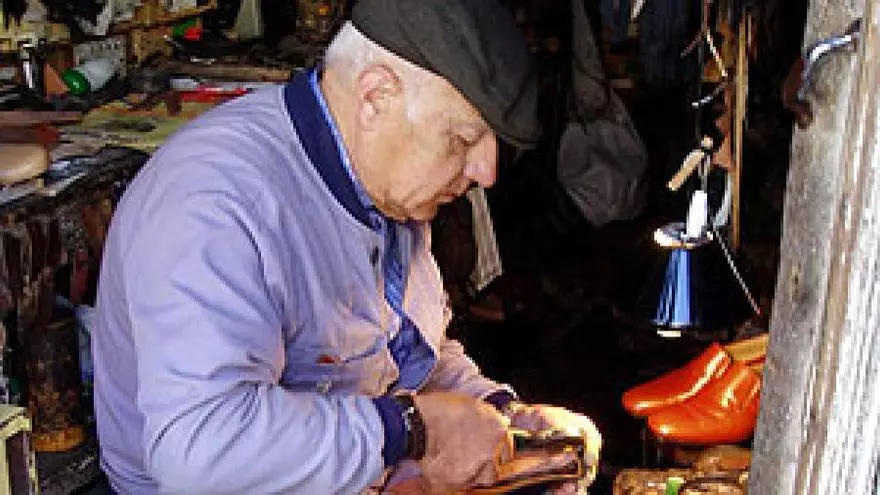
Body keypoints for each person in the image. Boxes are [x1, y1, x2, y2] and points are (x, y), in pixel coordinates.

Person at [92, 0, 601, 493]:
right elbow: (200, 453)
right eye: (464, 139)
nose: (486, 173)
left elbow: (404, 354)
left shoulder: (387, 188)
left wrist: (499, 420)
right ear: (376, 95)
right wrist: (411, 429)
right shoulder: (216, 204)